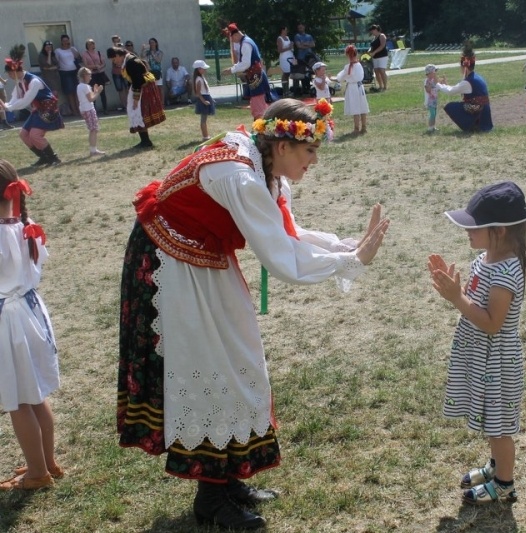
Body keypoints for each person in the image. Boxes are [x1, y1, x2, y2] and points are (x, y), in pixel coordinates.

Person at [117, 98, 389, 529]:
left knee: (239, 363)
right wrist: (352, 261)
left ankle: (224, 484)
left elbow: (288, 232)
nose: (314, 161)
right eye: (310, 151)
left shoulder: (262, 165)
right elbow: (281, 256)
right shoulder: (240, 175)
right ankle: (212, 497)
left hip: (202, 257)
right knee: (211, 371)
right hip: (172, 262)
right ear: (282, 145)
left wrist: (347, 247)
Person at [427, 181, 526, 504]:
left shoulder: (505, 271)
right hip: (483, 358)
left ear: (498, 230)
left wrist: (457, 298)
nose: (467, 233)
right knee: (491, 421)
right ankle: (496, 465)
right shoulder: (487, 257)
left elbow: (492, 323)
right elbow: (478, 303)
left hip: (496, 362)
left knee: (499, 429)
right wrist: (456, 291)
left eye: (473, 228)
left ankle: (504, 483)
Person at [0, 159, 63, 491]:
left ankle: (38, 474)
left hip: (8, 322)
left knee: (18, 400)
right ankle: (45, 461)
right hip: (30, 311)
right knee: (34, 394)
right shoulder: (26, 225)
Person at [1, 46, 64, 166]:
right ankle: (43, 157)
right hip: (38, 110)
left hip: (48, 110)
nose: (8, 76)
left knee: (35, 135)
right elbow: (15, 97)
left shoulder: (34, 81)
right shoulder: (20, 81)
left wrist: (9, 108)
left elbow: (25, 100)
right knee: (23, 134)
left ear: (14, 70)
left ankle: (54, 158)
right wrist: (6, 105)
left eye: (9, 73)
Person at [108, 46, 166, 149]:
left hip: (143, 87)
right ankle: (145, 140)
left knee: (138, 112)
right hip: (140, 86)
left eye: (114, 59)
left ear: (117, 55)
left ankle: (146, 141)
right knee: (136, 112)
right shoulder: (129, 60)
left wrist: (135, 99)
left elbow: (138, 81)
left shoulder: (131, 62)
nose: (114, 62)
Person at [437, 44, 493, 133]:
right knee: (463, 105)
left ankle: (473, 125)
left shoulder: (468, 81)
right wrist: (445, 85)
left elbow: (451, 91)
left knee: (451, 107)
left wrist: (437, 85)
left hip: (478, 111)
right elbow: (458, 88)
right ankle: (476, 125)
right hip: (484, 112)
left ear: (465, 67)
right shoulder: (477, 77)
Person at [222, 23, 271, 119]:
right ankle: (259, 128)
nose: (233, 42)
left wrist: (232, 70)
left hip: (256, 77)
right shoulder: (247, 41)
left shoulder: (245, 44)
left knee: (258, 108)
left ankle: (260, 129)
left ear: (235, 35)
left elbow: (246, 63)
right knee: (257, 105)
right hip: (255, 77)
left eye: (232, 39)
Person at [334, 45, 369, 134]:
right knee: (362, 106)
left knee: (355, 107)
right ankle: (364, 127)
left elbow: (340, 78)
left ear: (347, 55)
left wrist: (332, 79)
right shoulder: (359, 65)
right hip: (359, 86)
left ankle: (356, 128)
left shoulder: (348, 67)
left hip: (353, 87)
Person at [76, 67, 105, 156]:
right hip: (88, 109)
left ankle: (93, 149)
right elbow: (91, 99)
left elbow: (89, 96)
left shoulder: (80, 86)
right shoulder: (85, 86)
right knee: (93, 129)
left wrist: (94, 91)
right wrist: (98, 92)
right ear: (84, 75)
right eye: (89, 75)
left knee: (93, 129)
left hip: (84, 109)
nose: (90, 77)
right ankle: (93, 150)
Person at [81, 39, 109, 115]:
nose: (92, 45)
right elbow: (86, 65)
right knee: (93, 92)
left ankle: (105, 109)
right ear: (87, 46)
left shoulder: (98, 53)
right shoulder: (85, 54)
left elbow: (103, 63)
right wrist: (94, 66)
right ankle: (93, 109)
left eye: (93, 43)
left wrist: (100, 67)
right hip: (92, 75)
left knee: (102, 92)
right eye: (90, 44)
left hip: (100, 74)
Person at [55, 34, 80, 117]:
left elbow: (78, 57)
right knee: (70, 93)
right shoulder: (58, 50)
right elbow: (57, 61)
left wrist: (72, 49)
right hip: (65, 72)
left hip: (74, 71)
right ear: (61, 42)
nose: (66, 42)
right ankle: (74, 110)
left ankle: (79, 109)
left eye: (67, 40)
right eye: (64, 41)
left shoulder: (72, 49)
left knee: (77, 91)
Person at [37, 41, 62, 112]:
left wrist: (52, 68)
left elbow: (58, 65)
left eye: (50, 47)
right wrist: (49, 54)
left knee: (56, 93)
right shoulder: (41, 56)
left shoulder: (53, 55)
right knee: (50, 94)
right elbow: (48, 64)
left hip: (55, 77)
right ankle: (51, 110)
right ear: (44, 47)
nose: (49, 49)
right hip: (47, 78)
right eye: (47, 47)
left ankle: (55, 108)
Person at [193, 59, 214, 141]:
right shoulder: (198, 79)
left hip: (206, 97)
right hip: (203, 99)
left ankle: (206, 135)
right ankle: (205, 136)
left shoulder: (201, 77)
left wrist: (210, 98)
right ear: (198, 69)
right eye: (203, 68)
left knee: (205, 119)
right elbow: (198, 93)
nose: (205, 69)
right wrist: (204, 101)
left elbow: (206, 90)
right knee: (203, 119)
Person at [107, 35, 128, 112]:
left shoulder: (123, 49)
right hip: (116, 73)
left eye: (118, 40)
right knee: (120, 90)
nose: (117, 42)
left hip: (125, 71)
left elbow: (126, 57)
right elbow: (112, 60)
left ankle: (129, 104)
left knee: (127, 88)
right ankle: (124, 105)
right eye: (115, 41)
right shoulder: (111, 50)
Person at [293, 24, 315, 95]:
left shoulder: (309, 36)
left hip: (309, 58)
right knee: (302, 73)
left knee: (309, 72)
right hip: (301, 58)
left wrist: (304, 44)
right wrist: (308, 44)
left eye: (301, 27)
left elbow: (313, 45)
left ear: (304, 27)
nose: (300, 29)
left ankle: (308, 87)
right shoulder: (297, 36)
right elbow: (299, 46)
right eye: (299, 28)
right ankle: (304, 88)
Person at [367, 24, 389, 92]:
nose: (372, 32)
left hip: (382, 56)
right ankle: (380, 86)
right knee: (376, 71)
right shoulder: (374, 38)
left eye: (373, 30)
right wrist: (369, 51)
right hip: (375, 57)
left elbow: (382, 46)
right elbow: (372, 46)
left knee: (382, 70)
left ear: (376, 30)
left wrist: (375, 52)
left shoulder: (382, 36)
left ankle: (385, 86)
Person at [277, 26, 294, 97]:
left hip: (290, 56)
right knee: (285, 73)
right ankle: (285, 91)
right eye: (285, 30)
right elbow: (280, 50)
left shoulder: (288, 38)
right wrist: (288, 47)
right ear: (282, 30)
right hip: (284, 58)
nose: (287, 31)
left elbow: (290, 47)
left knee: (289, 73)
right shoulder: (279, 38)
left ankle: (287, 90)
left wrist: (291, 47)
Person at [423, 64, 440, 133]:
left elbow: (437, 82)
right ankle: (430, 128)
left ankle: (433, 126)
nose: (435, 73)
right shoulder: (427, 81)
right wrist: (430, 84)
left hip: (434, 99)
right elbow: (428, 90)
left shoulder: (433, 80)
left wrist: (435, 77)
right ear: (429, 73)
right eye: (434, 72)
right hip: (430, 100)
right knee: (432, 114)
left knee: (435, 114)